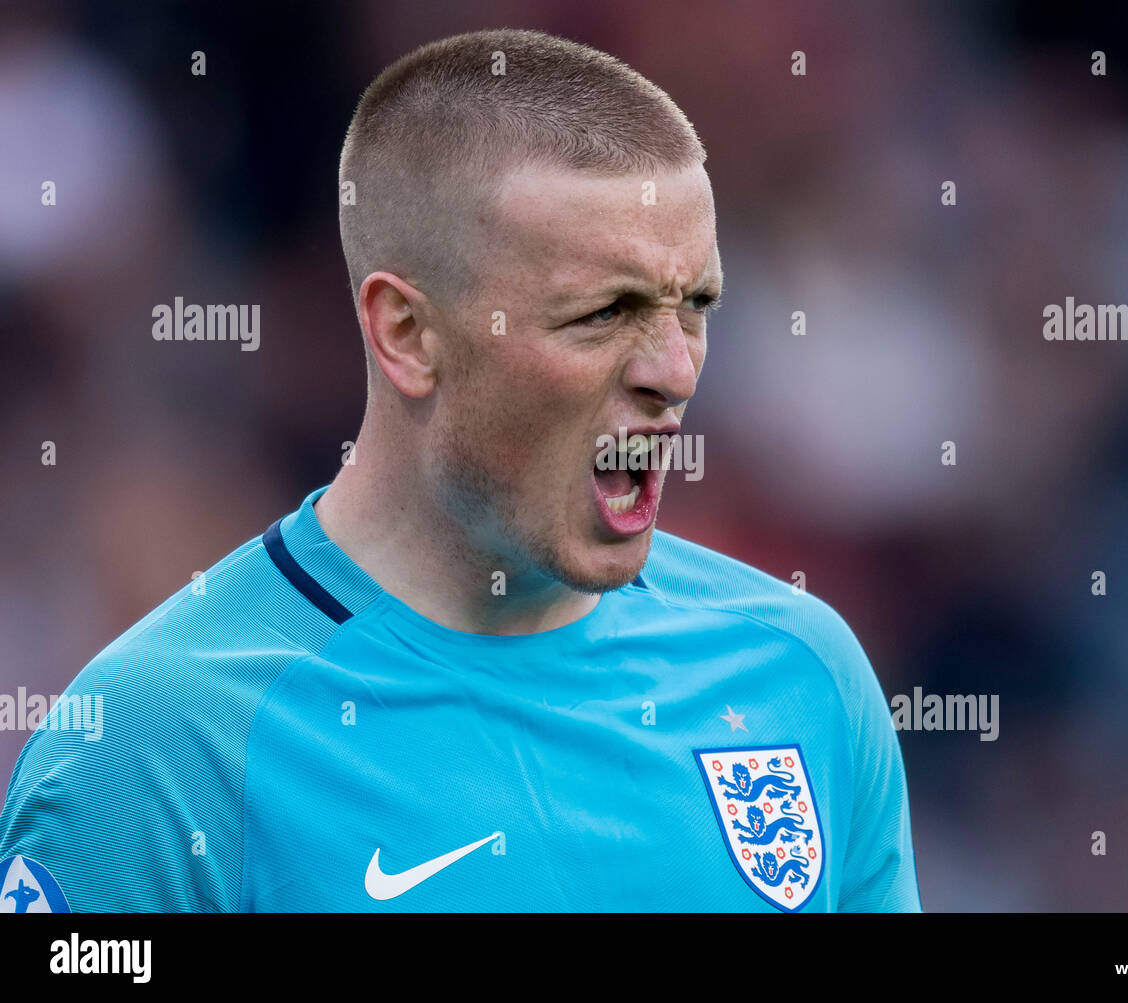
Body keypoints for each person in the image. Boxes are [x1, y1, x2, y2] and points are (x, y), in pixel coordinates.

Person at [0, 28, 920, 912]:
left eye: (696, 305)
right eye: (604, 313)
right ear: (408, 333)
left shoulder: (799, 673)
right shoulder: (158, 747)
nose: (674, 370)